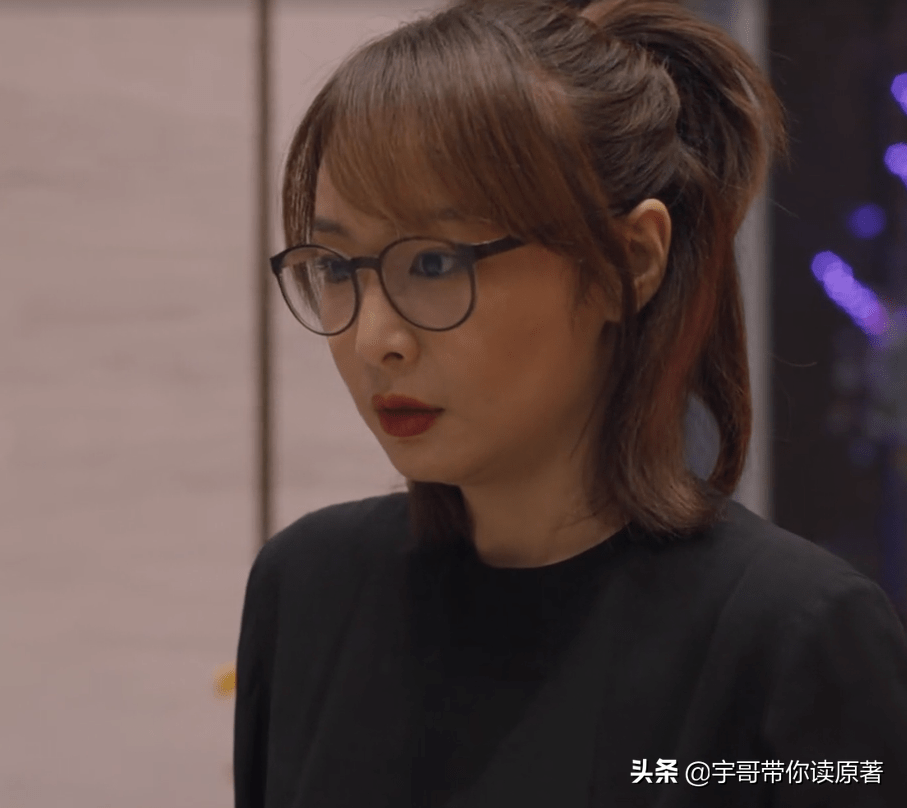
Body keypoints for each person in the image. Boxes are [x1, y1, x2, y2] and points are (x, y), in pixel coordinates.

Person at [234, 0, 907, 805]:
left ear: (631, 261)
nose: (375, 338)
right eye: (336, 268)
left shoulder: (790, 634)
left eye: (436, 264)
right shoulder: (306, 588)